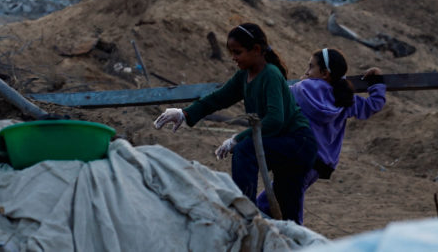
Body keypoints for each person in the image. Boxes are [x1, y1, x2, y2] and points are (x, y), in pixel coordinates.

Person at [153, 23, 318, 222]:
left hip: (297, 143)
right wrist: (184, 114)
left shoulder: (271, 75)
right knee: (285, 214)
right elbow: (218, 98)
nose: (233, 57)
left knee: (245, 150)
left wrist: (237, 138)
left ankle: (244, 214)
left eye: (237, 52)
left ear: (256, 50)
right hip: (279, 142)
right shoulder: (244, 76)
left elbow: (275, 120)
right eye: (231, 52)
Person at [255, 48, 385, 221]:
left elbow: (278, 97)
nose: (307, 72)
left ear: (324, 73)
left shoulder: (302, 89)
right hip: (321, 164)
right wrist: (376, 80)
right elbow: (373, 105)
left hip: (299, 159)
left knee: (283, 208)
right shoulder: (345, 98)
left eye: (310, 67)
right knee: (274, 200)